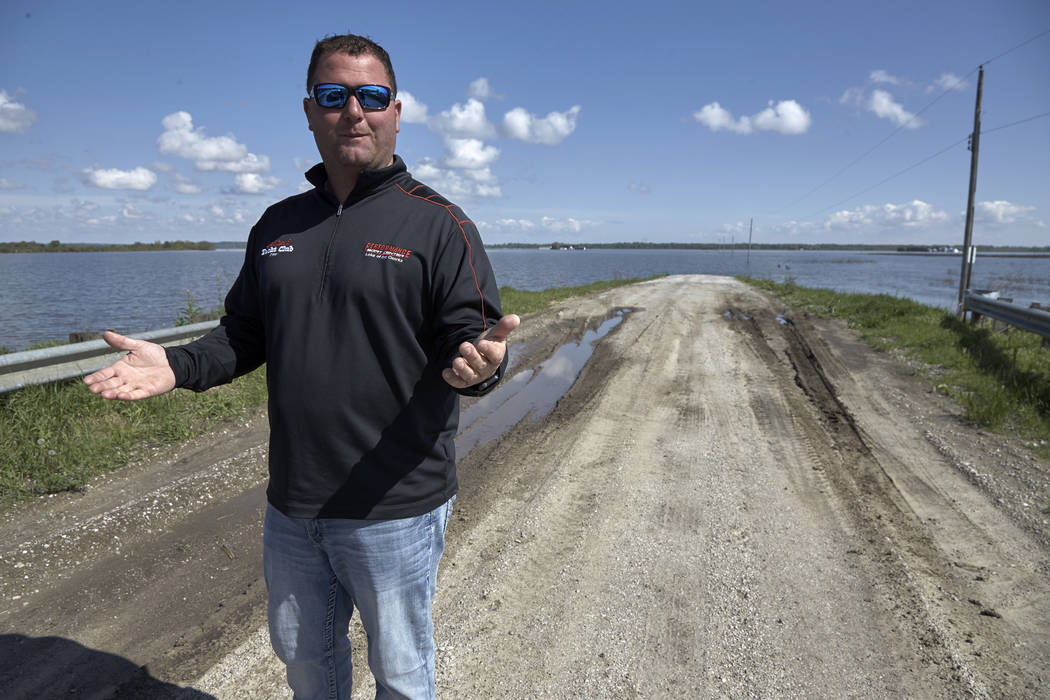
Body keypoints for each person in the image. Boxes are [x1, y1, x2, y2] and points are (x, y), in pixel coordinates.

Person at [84, 33, 519, 699]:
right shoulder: (276, 227)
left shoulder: (438, 225)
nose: (354, 110)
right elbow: (243, 335)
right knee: (307, 663)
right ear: (310, 111)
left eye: (371, 96)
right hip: (293, 506)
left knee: (402, 673)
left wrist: (482, 366)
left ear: (395, 112)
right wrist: (176, 365)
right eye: (334, 94)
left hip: (394, 506)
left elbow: (474, 337)